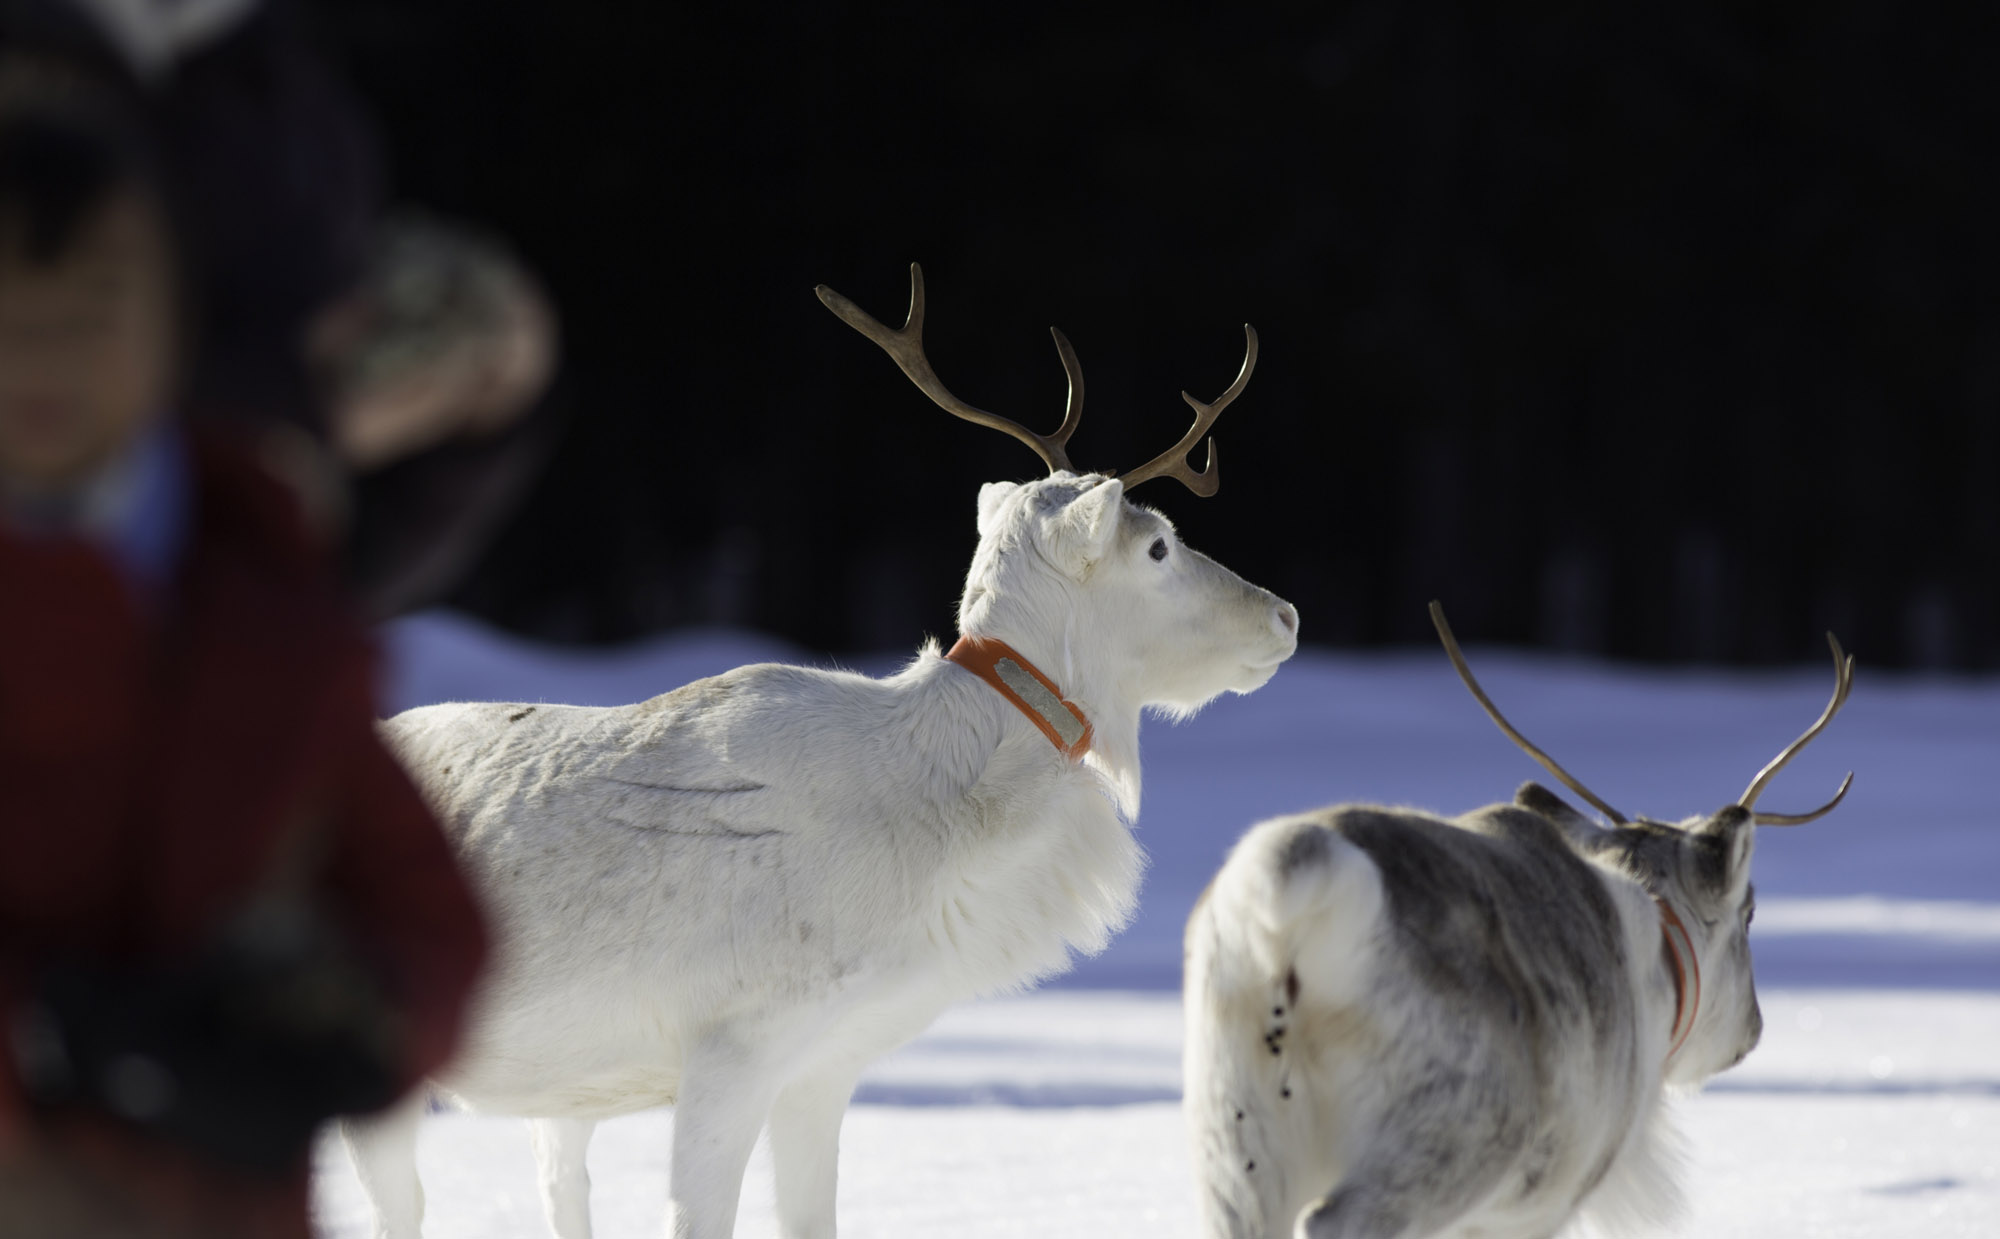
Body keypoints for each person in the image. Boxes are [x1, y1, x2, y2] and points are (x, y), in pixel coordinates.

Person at [0, 58, 486, 1238]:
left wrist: (368, 1017)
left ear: (177, 325)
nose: (52, 352)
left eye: (97, 304)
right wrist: (69, 1043)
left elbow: (426, 913)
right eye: (12, 315)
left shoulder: (259, 597)